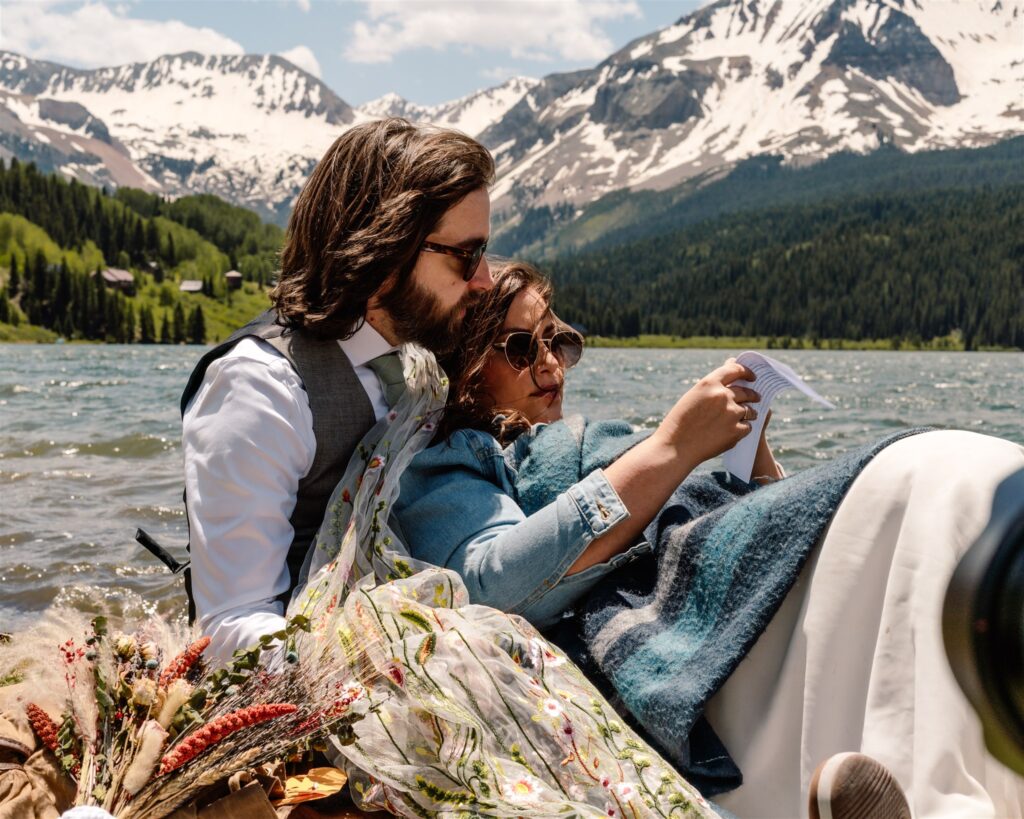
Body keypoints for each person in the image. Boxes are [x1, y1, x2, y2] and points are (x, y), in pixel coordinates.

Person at [390, 261, 1024, 818]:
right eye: (523, 348)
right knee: (926, 482)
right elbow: (487, 586)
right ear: (468, 368)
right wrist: (672, 447)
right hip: (668, 605)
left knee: (943, 487)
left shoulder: (589, 438)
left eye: (558, 339)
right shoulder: (451, 461)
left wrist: (753, 460)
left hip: (721, 571)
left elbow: (709, 517)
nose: (552, 362)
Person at [179, 118, 495, 666]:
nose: (484, 279)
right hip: (326, 673)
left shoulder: (417, 365)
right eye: (465, 255)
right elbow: (231, 626)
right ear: (385, 249)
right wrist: (404, 668)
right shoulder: (259, 387)